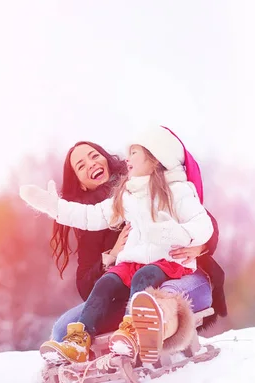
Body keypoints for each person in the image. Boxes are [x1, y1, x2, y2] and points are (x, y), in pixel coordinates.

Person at [21, 126, 227, 365]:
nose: (90, 164)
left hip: (174, 269)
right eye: (80, 165)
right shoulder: (125, 196)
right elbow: (89, 217)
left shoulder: (171, 189)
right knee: (65, 325)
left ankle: (137, 332)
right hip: (129, 277)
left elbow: (204, 222)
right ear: (81, 184)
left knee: (153, 288)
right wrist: (55, 208)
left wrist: (191, 241)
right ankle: (79, 342)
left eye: (94, 155)